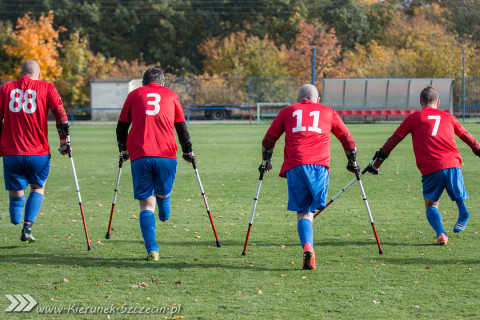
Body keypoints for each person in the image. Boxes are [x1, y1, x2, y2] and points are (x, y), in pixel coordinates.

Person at [366, 86, 480, 245]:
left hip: (431, 166)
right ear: (438, 102)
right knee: (457, 192)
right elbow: (466, 136)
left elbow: (393, 140)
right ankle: (463, 211)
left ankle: (441, 234)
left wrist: (377, 163)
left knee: (430, 204)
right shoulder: (449, 117)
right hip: (453, 163)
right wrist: (478, 149)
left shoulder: (414, 118)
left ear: (420, 102)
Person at [260, 84, 358, 270]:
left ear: (298, 99)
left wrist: (266, 161)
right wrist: (352, 162)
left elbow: (269, 139)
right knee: (309, 211)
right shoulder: (329, 112)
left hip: (295, 165)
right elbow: (347, 138)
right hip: (319, 166)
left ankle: (307, 246)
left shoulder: (288, 111)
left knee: (303, 211)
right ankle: (309, 246)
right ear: (318, 100)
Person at [116, 67, 194, 262]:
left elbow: (121, 127)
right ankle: (165, 208)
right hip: (166, 154)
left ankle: (153, 250)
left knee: (146, 205)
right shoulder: (172, 95)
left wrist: (123, 150)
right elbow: (181, 128)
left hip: (140, 155)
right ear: (163, 83)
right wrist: (187, 150)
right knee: (163, 194)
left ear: (143, 83)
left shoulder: (134, 95)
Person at [0, 60, 70, 243]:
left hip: (11, 153)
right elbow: (61, 115)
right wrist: (64, 142)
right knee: (38, 187)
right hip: (38, 153)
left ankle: (16, 218)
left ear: (20, 74)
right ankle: (27, 227)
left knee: (16, 191)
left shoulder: (6, 88)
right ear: (39, 76)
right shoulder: (46, 87)